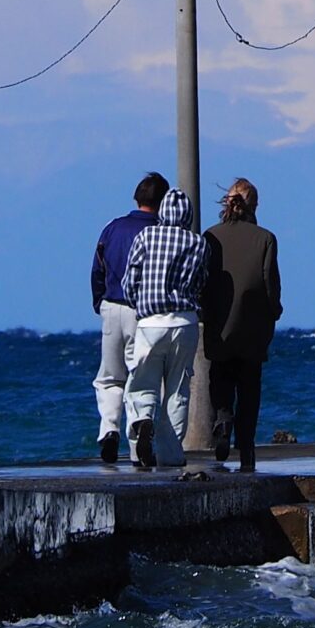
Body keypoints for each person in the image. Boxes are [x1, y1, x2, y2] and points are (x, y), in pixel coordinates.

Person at [120, 184, 210, 469]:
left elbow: (130, 280)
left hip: (150, 323)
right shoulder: (198, 243)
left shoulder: (147, 236)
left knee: (142, 383)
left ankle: (142, 419)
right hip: (185, 323)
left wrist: (139, 305)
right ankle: (171, 454)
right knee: (178, 388)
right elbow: (200, 283)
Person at [202, 177, 282, 472]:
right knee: (249, 389)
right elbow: (270, 284)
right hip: (252, 327)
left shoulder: (210, 236)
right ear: (254, 205)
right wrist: (274, 311)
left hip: (219, 326)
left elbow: (204, 283)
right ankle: (246, 448)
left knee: (220, 379)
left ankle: (223, 421)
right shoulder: (265, 238)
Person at [88, 172, 166, 464]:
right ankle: (138, 442)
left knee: (109, 377)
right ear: (163, 201)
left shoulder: (112, 228)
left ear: (137, 198)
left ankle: (109, 430)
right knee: (140, 376)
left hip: (111, 306)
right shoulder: (160, 231)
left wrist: (100, 301)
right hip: (143, 311)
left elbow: (97, 268)